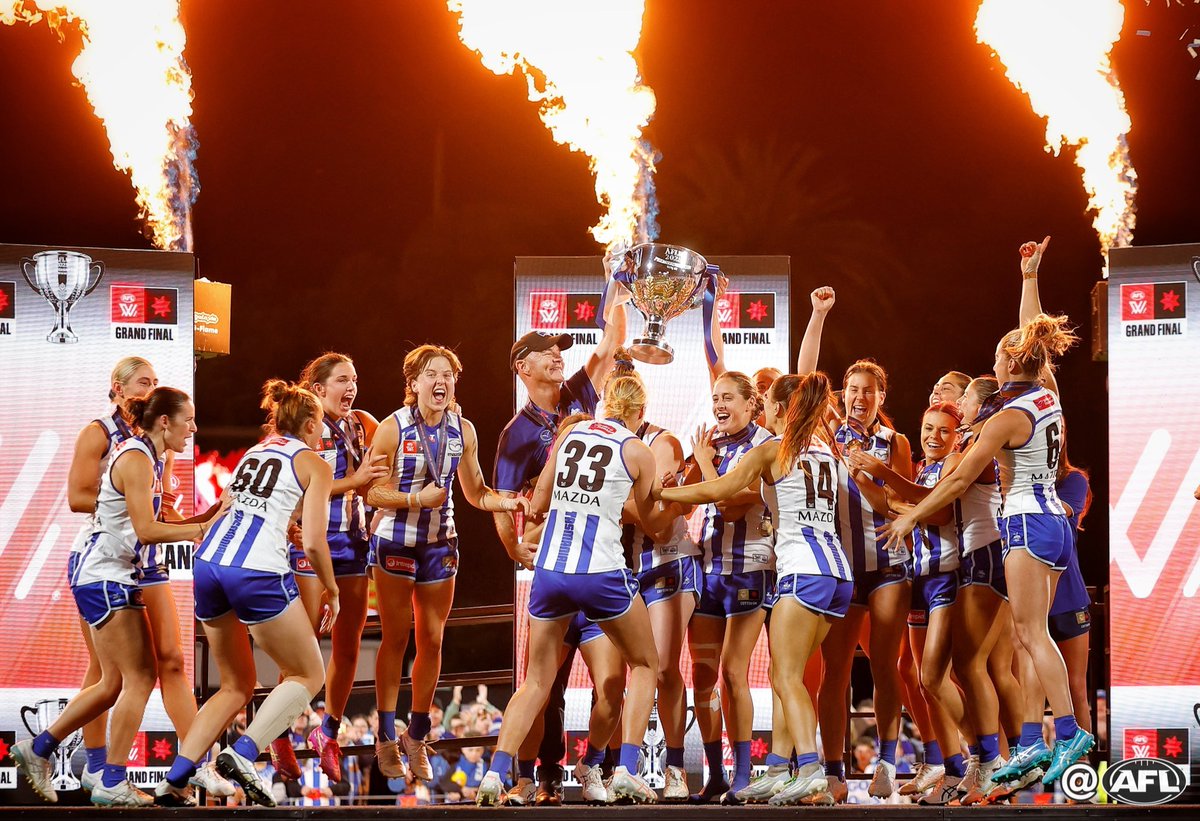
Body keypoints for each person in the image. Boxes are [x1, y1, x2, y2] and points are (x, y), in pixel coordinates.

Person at [884, 304, 1091, 788]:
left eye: (1000, 358)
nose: (994, 365)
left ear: (1013, 364)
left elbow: (959, 481)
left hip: (1025, 523)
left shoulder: (1007, 417)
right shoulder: (1048, 397)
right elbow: (1033, 339)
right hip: (1053, 523)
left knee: (1030, 636)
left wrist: (911, 514)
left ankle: (1066, 732)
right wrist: (1028, 279)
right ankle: (1036, 741)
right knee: (1025, 638)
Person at [661, 372, 867, 806]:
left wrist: (662, 492)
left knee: (786, 677)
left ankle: (809, 768)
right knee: (785, 677)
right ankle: (777, 768)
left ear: (778, 409)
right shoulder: (827, 454)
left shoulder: (771, 450)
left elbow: (720, 489)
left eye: (770, 402)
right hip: (838, 576)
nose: (766, 409)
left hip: (801, 571)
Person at [14, 387, 213, 806]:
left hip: (111, 574)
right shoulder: (137, 458)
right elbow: (147, 530)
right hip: (105, 575)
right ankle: (111, 780)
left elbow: (157, 523)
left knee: (113, 683)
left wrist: (216, 514)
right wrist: (199, 530)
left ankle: (39, 749)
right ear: (165, 422)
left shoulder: (149, 456)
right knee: (139, 677)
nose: (193, 427)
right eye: (188, 420)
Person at [476, 375, 668, 806]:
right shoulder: (638, 449)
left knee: (535, 682)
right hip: (599, 572)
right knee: (645, 663)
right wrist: (669, 495)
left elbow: (539, 502)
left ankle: (494, 775)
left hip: (551, 571)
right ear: (638, 412)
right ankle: (625, 769)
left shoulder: (570, 434)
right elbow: (653, 523)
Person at [152, 379, 340, 808]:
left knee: (235, 684)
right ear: (311, 424)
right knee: (309, 674)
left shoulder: (256, 452)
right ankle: (244, 752)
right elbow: (314, 542)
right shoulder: (315, 462)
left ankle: (176, 779)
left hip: (209, 563)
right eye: (321, 425)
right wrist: (331, 589)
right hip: (256, 571)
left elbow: (229, 510)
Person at [66, 358, 229, 795]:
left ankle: (194, 761)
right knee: (109, 672)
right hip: (108, 558)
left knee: (173, 659)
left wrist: (209, 518)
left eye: (155, 382)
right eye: (143, 382)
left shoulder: (161, 445)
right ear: (117, 388)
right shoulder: (101, 434)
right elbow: (79, 498)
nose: (150, 387)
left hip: (147, 558)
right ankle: (98, 764)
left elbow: (162, 512)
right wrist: (121, 495)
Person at [367, 345, 528, 784]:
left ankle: (417, 732)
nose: (441, 381)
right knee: (397, 639)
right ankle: (385, 735)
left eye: (448, 375)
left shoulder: (463, 428)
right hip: (396, 541)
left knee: (433, 641)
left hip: (441, 543)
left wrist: (506, 501)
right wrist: (416, 499)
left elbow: (475, 492)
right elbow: (372, 493)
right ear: (413, 383)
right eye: (431, 374)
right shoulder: (391, 428)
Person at [493, 306, 626, 806]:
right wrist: (515, 549)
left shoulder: (578, 395)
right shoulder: (516, 434)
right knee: (543, 685)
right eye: (545, 351)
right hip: (552, 568)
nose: (556, 355)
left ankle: (600, 769)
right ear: (521, 367)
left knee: (611, 679)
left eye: (559, 351)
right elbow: (504, 502)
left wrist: (621, 268)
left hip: (598, 562)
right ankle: (535, 775)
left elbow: (610, 346)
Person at [797, 286, 913, 803]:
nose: (860, 396)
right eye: (853, 388)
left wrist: (872, 476)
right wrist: (819, 315)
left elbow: (902, 507)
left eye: (870, 390)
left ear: (881, 397)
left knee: (886, 667)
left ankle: (888, 761)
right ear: (843, 394)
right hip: (840, 567)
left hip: (887, 564)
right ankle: (833, 769)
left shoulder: (898, 443)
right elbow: (803, 378)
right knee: (836, 671)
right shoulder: (826, 429)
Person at [851, 402, 971, 804]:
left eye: (944, 430)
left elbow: (934, 513)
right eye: (928, 427)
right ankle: (952, 769)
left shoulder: (957, 461)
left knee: (938, 677)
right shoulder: (925, 469)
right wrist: (866, 483)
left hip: (949, 577)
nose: (934, 436)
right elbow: (903, 507)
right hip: (921, 577)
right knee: (924, 679)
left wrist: (885, 475)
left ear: (958, 435)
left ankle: (984, 759)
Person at [285, 353, 387, 784]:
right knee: (302, 645)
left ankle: (327, 733)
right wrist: (357, 479)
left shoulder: (362, 422)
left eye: (356, 379)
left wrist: (380, 504)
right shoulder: (304, 426)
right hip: (312, 543)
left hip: (353, 543)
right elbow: (303, 485)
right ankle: (279, 734)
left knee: (348, 646)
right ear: (318, 387)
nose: (352, 387)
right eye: (343, 380)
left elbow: (389, 467)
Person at [686, 371, 776, 803]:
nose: (719, 405)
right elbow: (686, 495)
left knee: (733, 672)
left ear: (749, 404)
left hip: (750, 569)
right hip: (708, 572)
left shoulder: (764, 446)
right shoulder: (715, 444)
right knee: (702, 677)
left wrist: (703, 462)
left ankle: (745, 772)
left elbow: (729, 503)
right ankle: (716, 773)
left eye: (728, 398)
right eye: (715, 397)